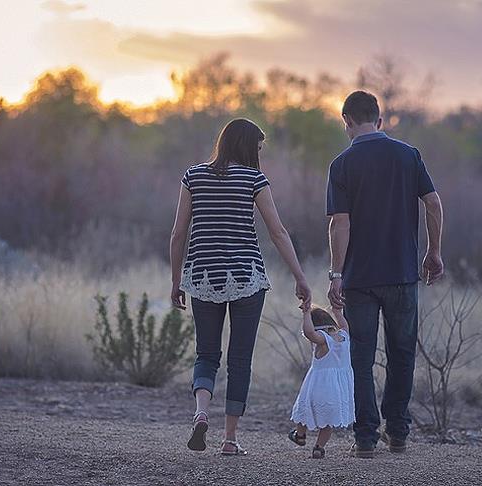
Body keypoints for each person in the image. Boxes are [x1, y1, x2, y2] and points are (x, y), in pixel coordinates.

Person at [169, 118, 311, 456]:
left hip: (202, 277)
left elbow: (178, 234)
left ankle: (201, 413)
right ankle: (230, 439)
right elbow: (278, 233)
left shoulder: (193, 176)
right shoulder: (254, 179)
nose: (259, 155)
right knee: (240, 359)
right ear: (248, 147)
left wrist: (177, 280)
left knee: (206, 354)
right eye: (258, 148)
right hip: (247, 277)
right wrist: (300, 277)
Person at [325, 90, 444, 458]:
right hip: (402, 274)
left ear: (346, 123)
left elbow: (339, 225)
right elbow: (433, 203)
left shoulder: (341, 164)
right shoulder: (408, 155)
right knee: (402, 353)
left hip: (359, 279)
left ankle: (365, 438)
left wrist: (336, 273)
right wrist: (434, 251)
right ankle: (398, 432)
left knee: (361, 358)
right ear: (379, 120)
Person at [288, 305, 355, 459]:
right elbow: (344, 324)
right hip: (338, 390)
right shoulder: (344, 335)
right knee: (328, 421)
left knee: (304, 410)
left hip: (318, 387)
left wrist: (306, 314)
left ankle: (300, 435)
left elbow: (309, 332)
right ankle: (319, 447)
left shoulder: (323, 340)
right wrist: (337, 311)